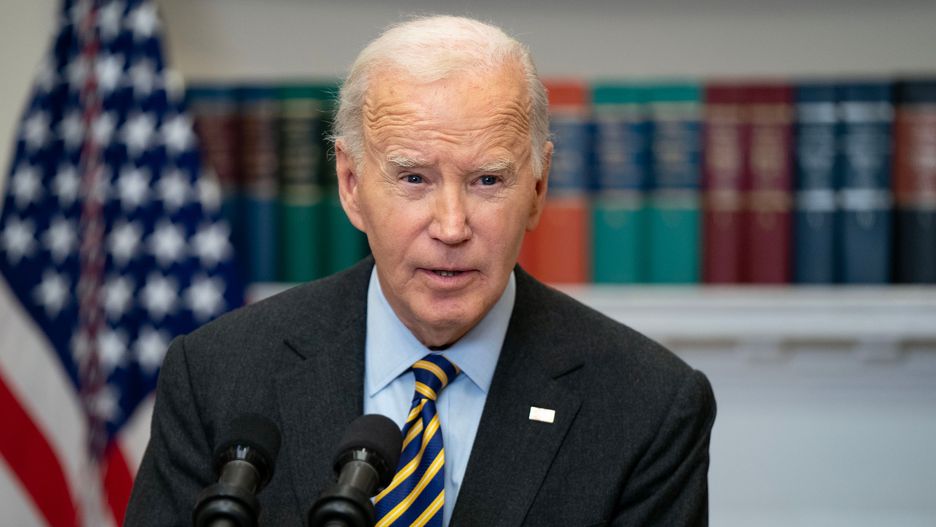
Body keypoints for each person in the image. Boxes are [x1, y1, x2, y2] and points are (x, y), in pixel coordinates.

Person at [125, 15, 716, 527]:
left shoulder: (649, 405)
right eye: (414, 178)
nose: (452, 227)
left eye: (488, 180)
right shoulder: (216, 374)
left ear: (538, 188)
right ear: (351, 185)